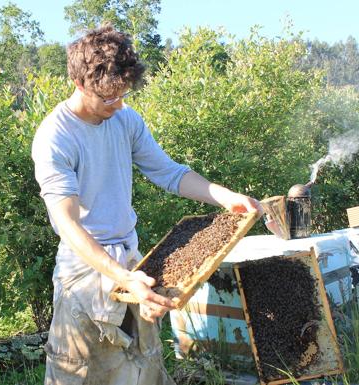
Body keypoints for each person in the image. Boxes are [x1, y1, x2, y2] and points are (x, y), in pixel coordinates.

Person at [32, 24, 270, 385]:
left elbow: (170, 174)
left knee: (143, 370)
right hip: (83, 275)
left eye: (123, 95)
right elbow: (67, 224)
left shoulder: (126, 119)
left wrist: (226, 196)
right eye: (108, 98)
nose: (118, 105)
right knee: (79, 375)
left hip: (132, 263)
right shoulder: (55, 136)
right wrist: (125, 278)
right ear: (79, 84)